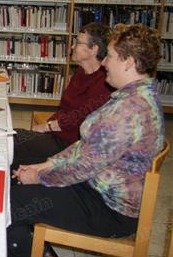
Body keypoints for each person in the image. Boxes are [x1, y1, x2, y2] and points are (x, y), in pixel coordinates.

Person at [8, 24, 165, 257]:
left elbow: (83, 166)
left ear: (129, 62)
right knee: (15, 187)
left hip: (107, 208)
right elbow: (84, 148)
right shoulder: (136, 95)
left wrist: (39, 176)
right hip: (96, 188)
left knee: (9, 202)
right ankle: (33, 255)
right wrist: (46, 165)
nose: (104, 64)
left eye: (110, 57)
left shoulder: (128, 110)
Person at [12, 23, 114, 169]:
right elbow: (65, 108)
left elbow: (80, 116)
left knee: (13, 146)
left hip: (72, 145)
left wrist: (47, 127)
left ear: (94, 49)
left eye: (78, 43)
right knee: (13, 138)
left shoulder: (105, 82)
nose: (72, 47)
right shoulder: (80, 72)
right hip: (57, 133)